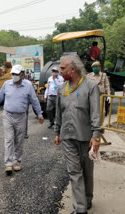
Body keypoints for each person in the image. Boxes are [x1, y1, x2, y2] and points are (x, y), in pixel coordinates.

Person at [54, 55, 102, 214]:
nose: (60, 71)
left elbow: (96, 113)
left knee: (87, 172)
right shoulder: (62, 89)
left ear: (72, 69)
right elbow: (58, 113)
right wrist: (57, 131)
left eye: (62, 68)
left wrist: (96, 136)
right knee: (74, 172)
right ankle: (80, 209)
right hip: (68, 138)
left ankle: (87, 198)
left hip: (86, 138)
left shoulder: (90, 86)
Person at [0, 64, 44, 175]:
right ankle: (8, 163)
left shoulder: (28, 85)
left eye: (16, 74)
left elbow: (34, 100)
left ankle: (17, 161)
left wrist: (39, 114)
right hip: (8, 115)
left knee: (19, 140)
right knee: (9, 139)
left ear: (22, 74)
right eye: (13, 74)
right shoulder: (7, 84)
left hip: (21, 116)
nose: (14, 76)